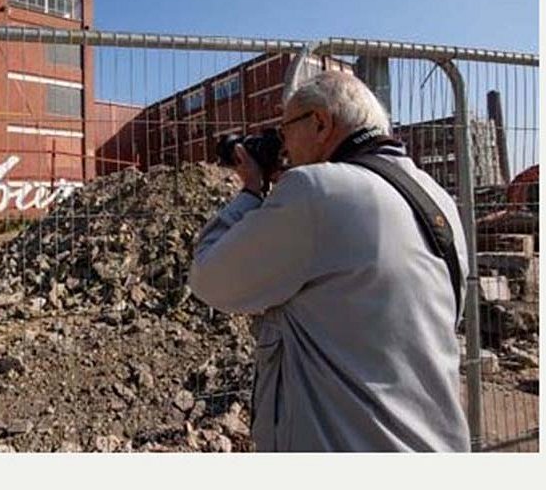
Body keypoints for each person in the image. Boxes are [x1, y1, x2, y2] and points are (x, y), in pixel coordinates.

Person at [189, 70, 470, 452]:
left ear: (320, 123)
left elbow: (208, 277)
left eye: (285, 130)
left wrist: (252, 192)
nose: (283, 147)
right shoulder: (438, 200)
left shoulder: (316, 192)